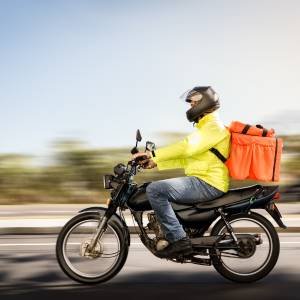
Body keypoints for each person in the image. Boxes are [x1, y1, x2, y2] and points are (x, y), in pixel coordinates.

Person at [133, 86, 231, 258]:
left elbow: (187, 147)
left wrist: (153, 154)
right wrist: (155, 162)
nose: (190, 107)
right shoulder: (205, 128)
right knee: (156, 188)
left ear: (205, 102)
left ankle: (179, 241)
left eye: (193, 102)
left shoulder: (213, 127)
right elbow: (186, 158)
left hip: (208, 182)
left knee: (155, 190)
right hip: (202, 180)